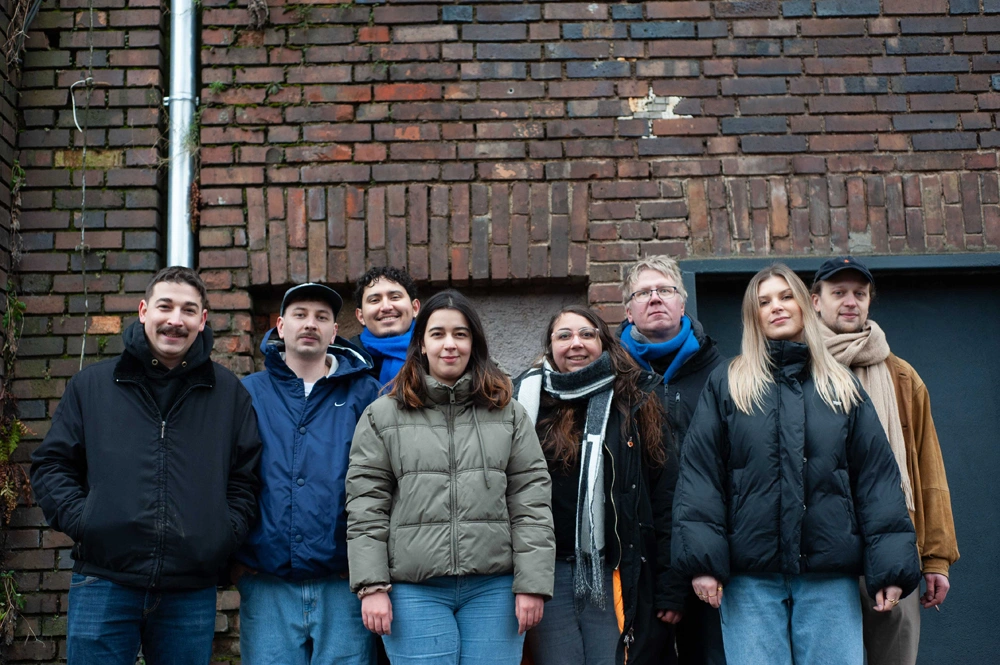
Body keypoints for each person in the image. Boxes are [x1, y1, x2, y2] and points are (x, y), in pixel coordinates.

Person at [671, 263, 921, 665]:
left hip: (829, 579)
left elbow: (876, 480)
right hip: (750, 581)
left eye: (786, 296)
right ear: (753, 315)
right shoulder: (728, 383)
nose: (777, 307)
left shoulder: (842, 385)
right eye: (764, 301)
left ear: (806, 305)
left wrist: (891, 567)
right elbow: (702, 478)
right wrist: (704, 563)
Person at [30, 266, 262, 665]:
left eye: (189, 310)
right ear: (143, 311)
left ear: (202, 319)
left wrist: (223, 533)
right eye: (165, 306)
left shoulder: (229, 394)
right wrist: (87, 520)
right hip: (104, 581)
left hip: (189, 591)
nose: (175, 320)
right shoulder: (93, 386)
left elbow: (245, 479)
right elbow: (51, 465)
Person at [346, 289, 555, 665]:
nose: (449, 345)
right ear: (421, 345)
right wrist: (371, 585)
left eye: (460, 334)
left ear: (474, 343)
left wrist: (533, 584)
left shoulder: (508, 413)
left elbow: (531, 501)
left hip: (495, 590)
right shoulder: (382, 415)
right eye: (437, 334)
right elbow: (366, 506)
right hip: (414, 591)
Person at [513, 305, 684, 665]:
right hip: (547, 573)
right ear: (549, 348)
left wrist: (671, 582)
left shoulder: (634, 402)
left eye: (587, 334)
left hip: (613, 570)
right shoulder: (522, 404)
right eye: (564, 336)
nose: (576, 344)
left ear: (604, 344)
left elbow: (667, 497)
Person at [810, 256, 959, 665]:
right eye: (838, 292)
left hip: (893, 550)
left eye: (859, 293)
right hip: (819, 554)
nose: (850, 302)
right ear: (815, 301)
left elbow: (928, 470)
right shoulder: (797, 370)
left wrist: (936, 558)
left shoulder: (902, 377)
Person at [234, 283, 382, 665]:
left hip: (343, 582)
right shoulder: (247, 394)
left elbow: (382, 481)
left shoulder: (365, 393)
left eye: (322, 317)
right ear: (280, 326)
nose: (310, 324)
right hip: (267, 583)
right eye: (300, 315)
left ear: (335, 331)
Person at [616, 256, 724, 665]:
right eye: (643, 293)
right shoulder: (610, 375)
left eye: (666, 290)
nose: (655, 298)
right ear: (628, 310)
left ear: (683, 304)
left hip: (710, 560)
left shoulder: (722, 374)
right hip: (634, 560)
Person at [351, 266, 420, 386]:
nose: (386, 307)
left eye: (395, 297)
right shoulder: (346, 363)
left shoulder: (436, 355)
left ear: (415, 308)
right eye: (374, 300)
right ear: (360, 316)